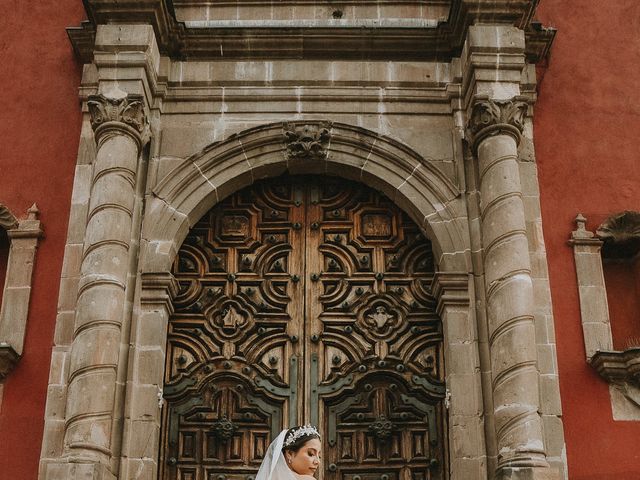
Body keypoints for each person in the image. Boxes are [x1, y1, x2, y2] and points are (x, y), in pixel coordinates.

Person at [254, 425, 321, 480]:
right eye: (311, 454)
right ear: (290, 454)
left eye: (319, 456)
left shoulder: (269, 476)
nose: (317, 461)